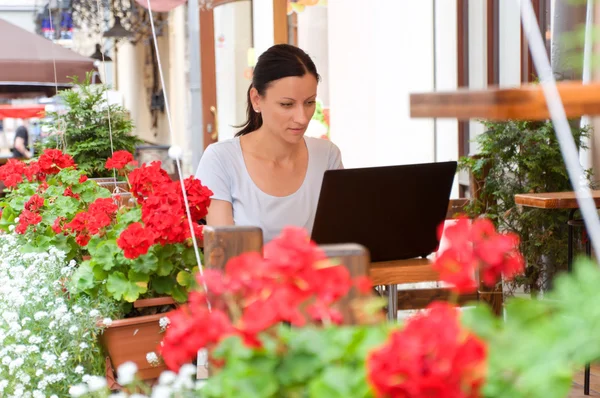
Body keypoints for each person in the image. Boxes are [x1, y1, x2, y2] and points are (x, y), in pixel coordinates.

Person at [195, 44, 343, 243]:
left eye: (309, 102)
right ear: (256, 99)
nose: (301, 118)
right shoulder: (221, 159)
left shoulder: (327, 156)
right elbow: (224, 254)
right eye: (287, 104)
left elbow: (340, 241)